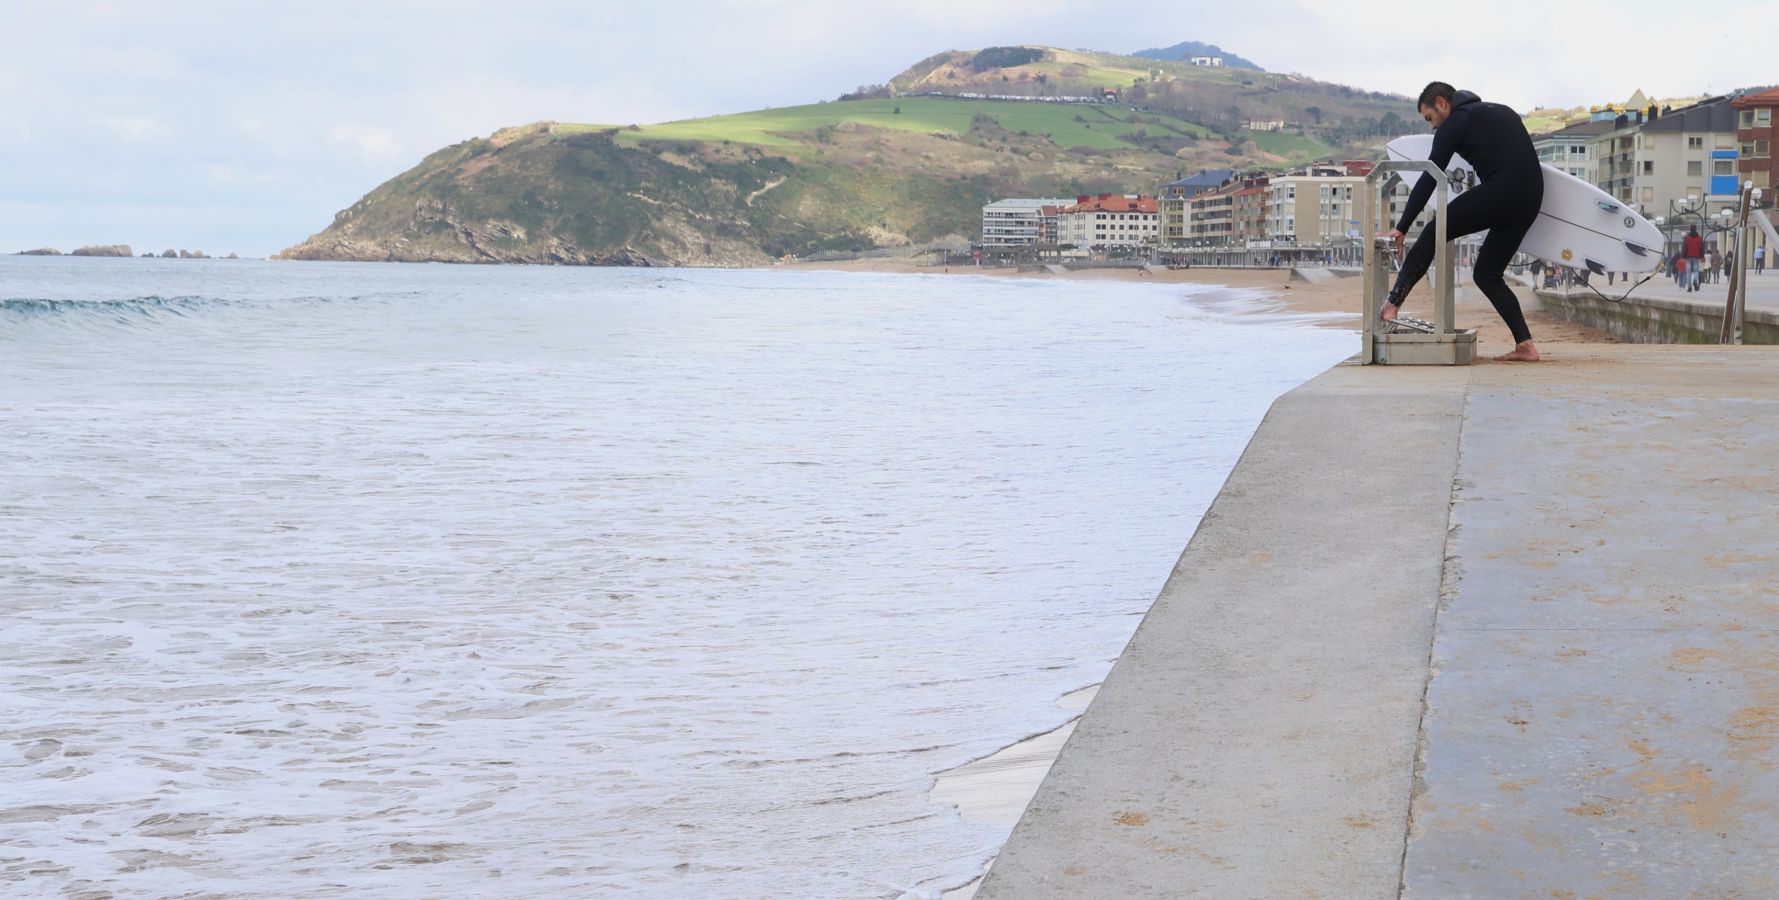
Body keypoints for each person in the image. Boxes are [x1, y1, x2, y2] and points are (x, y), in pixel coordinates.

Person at [1379, 83, 1544, 361]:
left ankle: (1392, 305)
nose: (1432, 128)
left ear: (1442, 103)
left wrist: (1403, 226)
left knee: (1434, 230)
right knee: (1486, 274)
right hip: (1532, 197)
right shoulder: (1501, 111)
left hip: (1503, 190)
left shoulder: (1456, 122)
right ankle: (1525, 345)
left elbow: (1431, 175)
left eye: (1429, 118)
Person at [1683, 227, 1704, 292]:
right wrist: (1701, 256)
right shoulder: (1699, 238)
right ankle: (1695, 280)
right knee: (1695, 271)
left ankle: (1689, 287)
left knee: (1688, 273)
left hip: (1688, 257)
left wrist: (1684, 255)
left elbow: (1684, 247)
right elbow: (1701, 248)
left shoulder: (1686, 238)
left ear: (1690, 229)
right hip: (1696, 257)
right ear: (1695, 229)